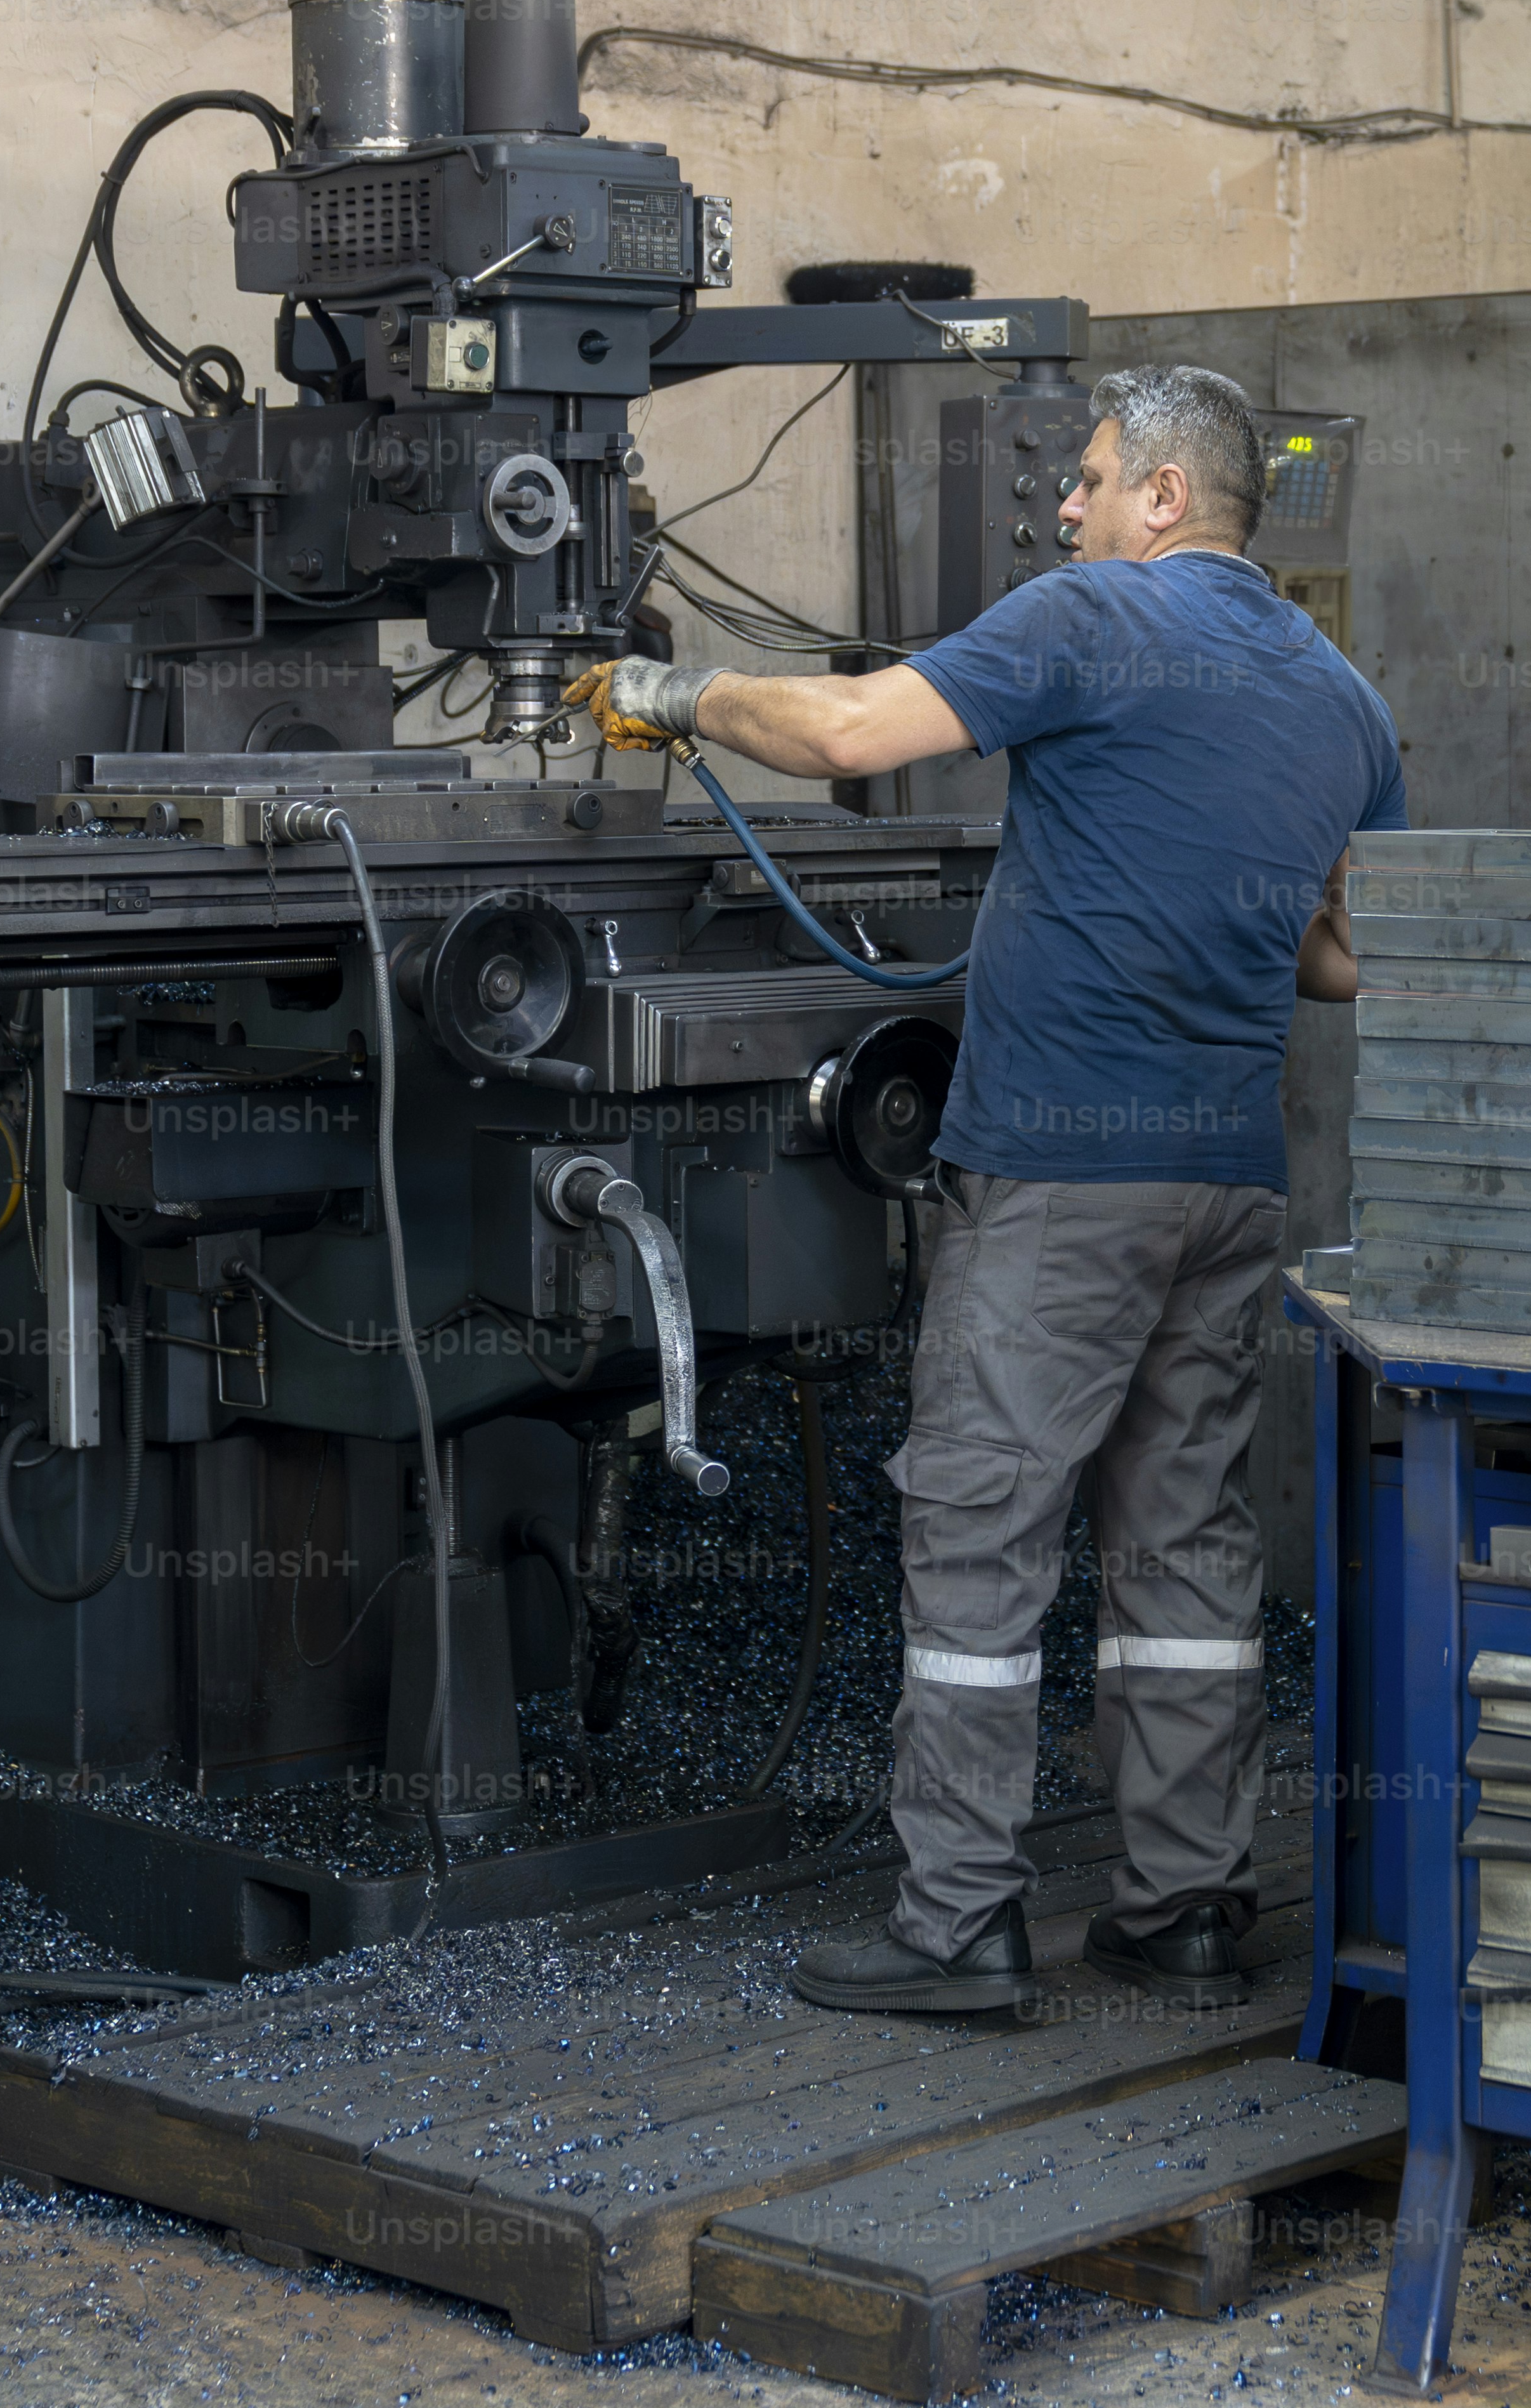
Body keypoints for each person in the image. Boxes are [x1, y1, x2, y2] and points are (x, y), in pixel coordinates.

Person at [565, 362, 1404, 2011]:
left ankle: (956, 1923)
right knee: (1182, 1542)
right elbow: (1341, 960)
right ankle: (1187, 1906)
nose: (1066, 509)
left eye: (1088, 480)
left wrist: (673, 691)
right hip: (1228, 1179)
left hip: (1063, 1176)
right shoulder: (1341, 695)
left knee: (981, 1529)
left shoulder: (1093, 618)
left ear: (1167, 496)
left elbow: (848, 731)